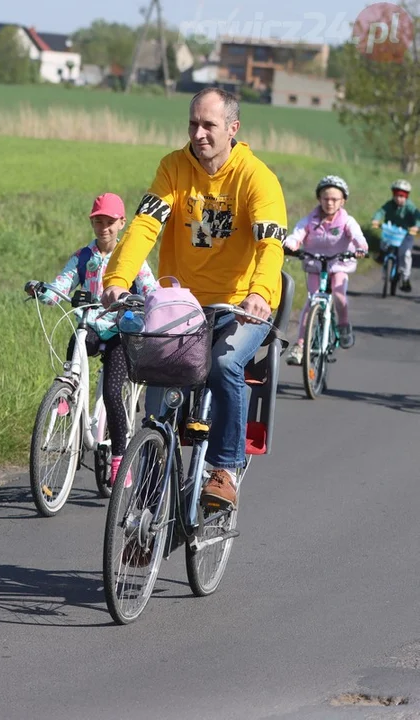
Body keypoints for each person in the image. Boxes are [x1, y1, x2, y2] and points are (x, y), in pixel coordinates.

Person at [100, 87, 287, 511]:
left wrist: (259, 293)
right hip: (182, 307)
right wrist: (117, 278)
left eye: (209, 125)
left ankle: (224, 468)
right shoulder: (174, 167)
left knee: (224, 365)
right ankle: (144, 511)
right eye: (193, 124)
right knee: (157, 403)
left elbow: (269, 246)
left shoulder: (257, 178)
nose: (198, 134)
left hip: (241, 305)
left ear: (233, 129)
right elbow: (146, 224)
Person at [25, 192, 157, 487]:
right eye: (98, 221)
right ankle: (70, 394)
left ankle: (119, 459)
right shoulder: (83, 257)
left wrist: (144, 302)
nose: (104, 228)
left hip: (122, 330)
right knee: (77, 343)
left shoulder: (131, 257)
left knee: (112, 392)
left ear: (122, 223)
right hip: (92, 326)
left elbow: (150, 288)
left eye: (110, 222)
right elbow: (62, 285)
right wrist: (44, 292)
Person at [284, 175, 368, 364]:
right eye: (325, 198)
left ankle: (344, 325)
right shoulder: (310, 220)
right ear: (319, 199)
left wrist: (361, 248)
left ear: (343, 201)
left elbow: (357, 236)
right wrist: (290, 245)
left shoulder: (347, 221)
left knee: (339, 295)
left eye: (334, 199)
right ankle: (300, 345)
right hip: (315, 265)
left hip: (339, 264)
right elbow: (296, 234)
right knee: (311, 302)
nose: (329, 203)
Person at [370, 179, 419, 293]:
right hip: (391, 232)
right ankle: (382, 255)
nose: (398, 199)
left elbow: (417, 216)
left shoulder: (410, 206)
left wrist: (416, 226)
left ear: (406, 196)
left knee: (406, 254)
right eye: (396, 196)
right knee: (383, 242)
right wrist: (376, 220)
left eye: (402, 196)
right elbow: (381, 211)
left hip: (406, 234)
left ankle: (405, 277)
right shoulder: (389, 204)